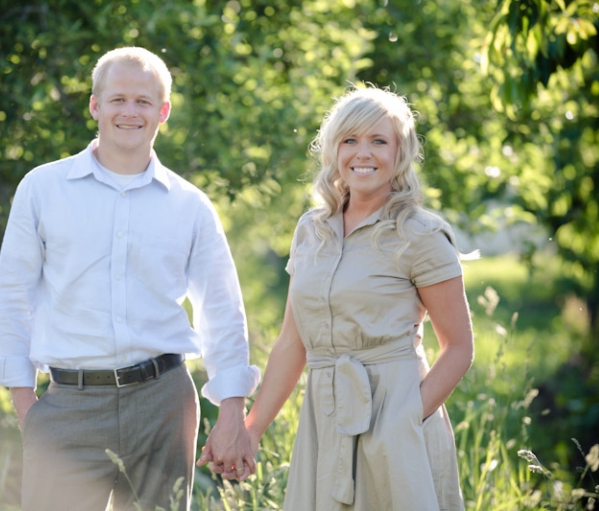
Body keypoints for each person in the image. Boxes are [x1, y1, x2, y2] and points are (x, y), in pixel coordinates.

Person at [0, 46, 260, 511]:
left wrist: (232, 405)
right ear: (95, 105)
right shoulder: (42, 189)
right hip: (68, 405)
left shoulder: (189, 205)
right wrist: (25, 403)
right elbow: (12, 296)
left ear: (163, 111)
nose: (130, 111)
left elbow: (221, 309)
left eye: (143, 101)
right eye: (118, 99)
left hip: (163, 404)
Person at [199, 85, 474, 510]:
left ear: (400, 151)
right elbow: (293, 343)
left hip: (397, 418)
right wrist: (250, 430)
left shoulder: (421, 235)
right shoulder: (311, 230)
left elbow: (458, 348)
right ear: (333, 150)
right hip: (324, 420)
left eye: (378, 141)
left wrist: (402, 420)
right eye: (350, 140)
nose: (363, 153)